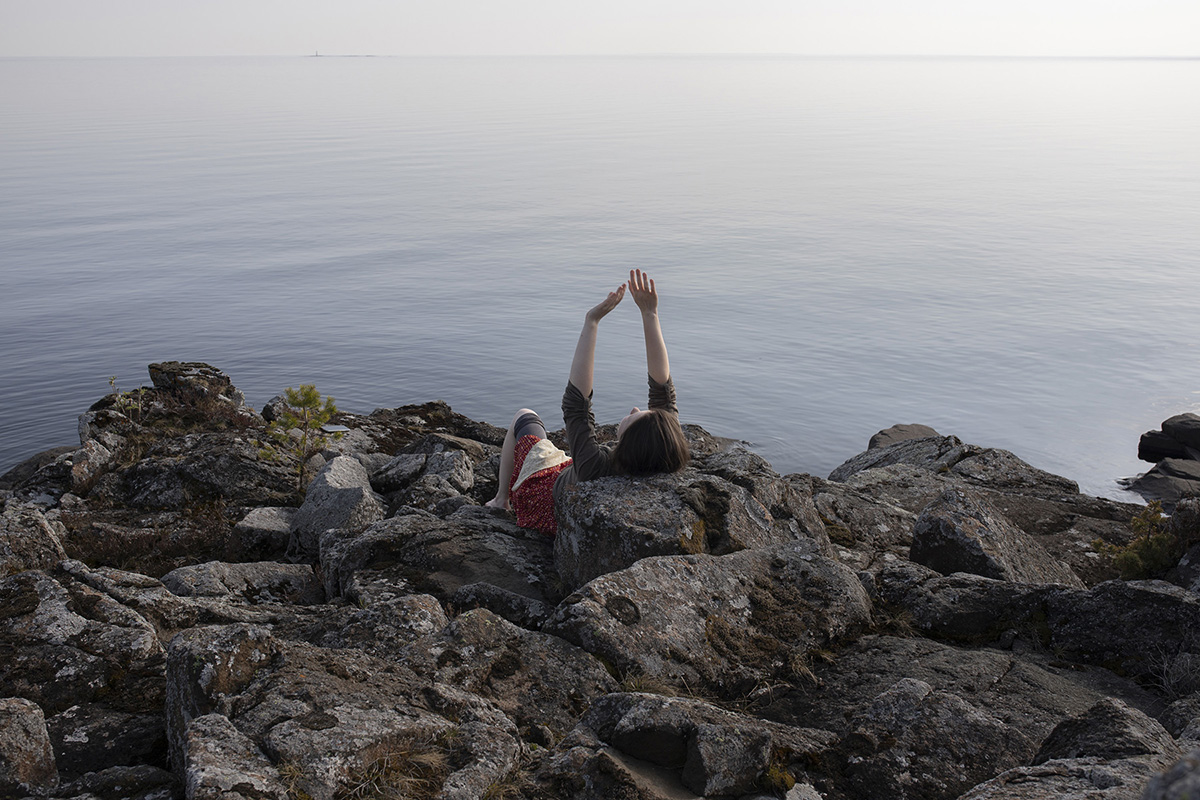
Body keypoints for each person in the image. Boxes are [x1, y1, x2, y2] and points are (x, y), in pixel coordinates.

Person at [485, 268, 690, 535]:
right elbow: (663, 391)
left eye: (634, 416)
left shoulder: (595, 467)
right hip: (573, 479)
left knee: (524, 416)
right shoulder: (664, 454)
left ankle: (501, 500)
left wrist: (592, 321)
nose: (634, 408)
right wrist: (650, 314)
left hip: (541, 497)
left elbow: (576, 406)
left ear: (631, 444)